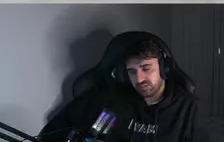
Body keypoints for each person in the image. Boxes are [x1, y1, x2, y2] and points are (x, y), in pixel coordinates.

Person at [40, 35, 210, 142]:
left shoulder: (189, 110)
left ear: (164, 68)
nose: (139, 79)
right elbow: (53, 131)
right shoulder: (110, 101)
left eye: (146, 68)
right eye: (132, 71)